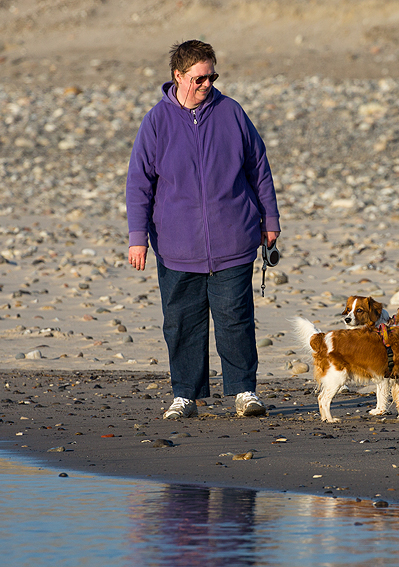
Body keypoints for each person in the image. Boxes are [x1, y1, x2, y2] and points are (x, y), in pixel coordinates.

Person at [125, 40, 280, 419]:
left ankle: (245, 391)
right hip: (177, 245)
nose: (207, 84)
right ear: (178, 76)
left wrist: (270, 220)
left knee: (235, 320)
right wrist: (137, 238)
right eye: (199, 78)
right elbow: (138, 183)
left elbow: (258, 167)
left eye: (212, 76)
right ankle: (185, 395)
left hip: (235, 238)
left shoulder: (232, 113)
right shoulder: (156, 121)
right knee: (181, 324)